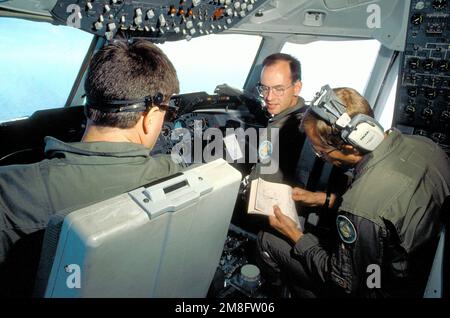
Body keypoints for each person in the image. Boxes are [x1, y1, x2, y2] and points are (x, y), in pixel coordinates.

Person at [0, 40, 182, 296]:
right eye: (167, 113)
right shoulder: (172, 175)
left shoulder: (9, 191)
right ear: (150, 118)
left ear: (89, 107)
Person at [257, 85, 450, 297]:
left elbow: (344, 283)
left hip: (381, 288)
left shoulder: (359, 209)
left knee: (267, 239)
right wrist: (325, 199)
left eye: (321, 152)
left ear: (351, 146)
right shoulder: (426, 145)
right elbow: (390, 210)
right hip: (421, 266)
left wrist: (294, 234)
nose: (321, 157)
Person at [252, 53, 308, 186]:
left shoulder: (296, 126)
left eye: (279, 89)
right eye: (265, 88)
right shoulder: (285, 116)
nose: (269, 97)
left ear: (297, 88)